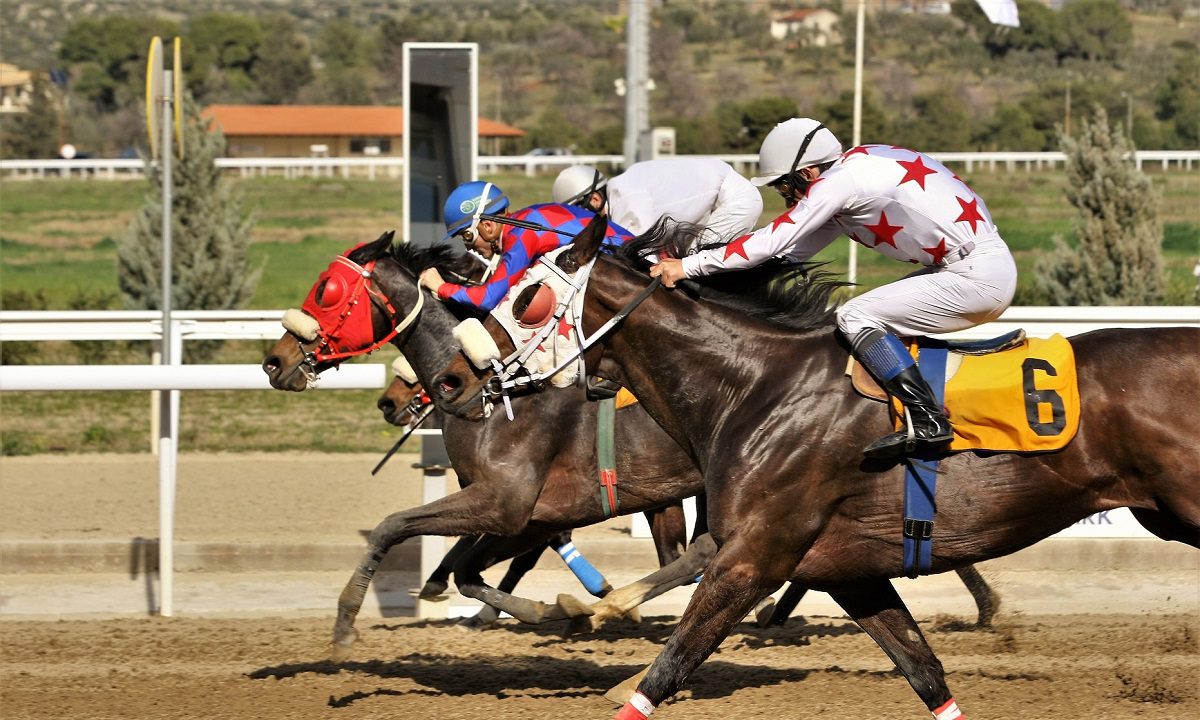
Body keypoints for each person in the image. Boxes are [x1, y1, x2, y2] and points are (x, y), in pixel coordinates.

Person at [650, 118, 1018, 460]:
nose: (784, 195)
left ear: (808, 172)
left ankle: (928, 419)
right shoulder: (853, 175)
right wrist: (711, 279)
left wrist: (687, 266)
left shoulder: (840, 182)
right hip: (966, 267)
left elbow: (772, 242)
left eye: (784, 184)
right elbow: (790, 255)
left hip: (976, 275)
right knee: (851, 322)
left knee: (855, 315)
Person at [420, 180, 634, 312]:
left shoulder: (521, 234)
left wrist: (441, 287)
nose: (469, 248)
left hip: (634, 265)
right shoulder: (526, 221)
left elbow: (488, 299)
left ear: (487, 226)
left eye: (467, 236)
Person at [551, 157, 763, 241]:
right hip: (721, 200)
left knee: (694, 268)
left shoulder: (625, 199)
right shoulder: (622, 188)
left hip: (734, 202)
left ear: (595, 199)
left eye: (581, 212)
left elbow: (634, 250)